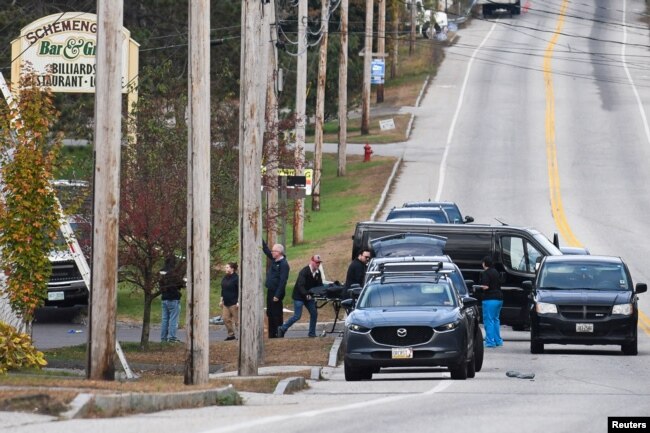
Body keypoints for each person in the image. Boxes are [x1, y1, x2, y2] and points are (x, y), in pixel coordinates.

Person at [278, 254, 323, 338]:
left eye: (319, 263)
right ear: (312, 262)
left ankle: (312, 333)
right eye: (317, 262)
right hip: (299, 296)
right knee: (297, 316)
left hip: (309, 297)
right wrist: (306, 294)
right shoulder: (304, 271)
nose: (318, 264)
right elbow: (300, 285)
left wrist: (321, 293)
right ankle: (282, 328)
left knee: (314, 313)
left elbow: (319, 286)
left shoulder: (318, 273)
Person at [262, 240, 290, 338]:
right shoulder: (275, 260)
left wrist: (277, 295)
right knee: (270, 312)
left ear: (279, 253)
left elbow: (283, 281)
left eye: (274, 251)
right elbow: (266, 250)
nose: (272, 252)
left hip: (276, 292)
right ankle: (271, 334)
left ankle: (279, 333)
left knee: (276, 313)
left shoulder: (283, 264)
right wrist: (260, 240)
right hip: (270, 290)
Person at [478, 256, 503, 348]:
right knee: (496, 319)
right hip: (499, 298)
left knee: (489, 320)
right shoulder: (496, 272)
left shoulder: (486, 273)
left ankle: (490, 341)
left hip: (489, 299)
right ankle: (498, 340)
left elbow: (485, 286)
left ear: (485, 263)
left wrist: (479, 287)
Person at [160, 255, 185, 343]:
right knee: (173, 319)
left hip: (164, 298)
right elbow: (181, 284)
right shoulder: (174, 273)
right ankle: (172, 338)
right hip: (173, 298)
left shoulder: (162, 271)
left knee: (164, 319)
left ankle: (163, 338)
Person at [220, 262, 239, 341]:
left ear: (232, 269)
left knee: (237, 321)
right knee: (225, 318)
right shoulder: (225, 277)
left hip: (234, 303)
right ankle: (231, 335)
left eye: (227, 267)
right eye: (226, 267)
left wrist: (239, 301)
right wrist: (221, 300)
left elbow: (239, 290)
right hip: (226, 303)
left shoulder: (236, 278)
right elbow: (223, 289)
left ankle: (241, 335)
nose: (226, 269)